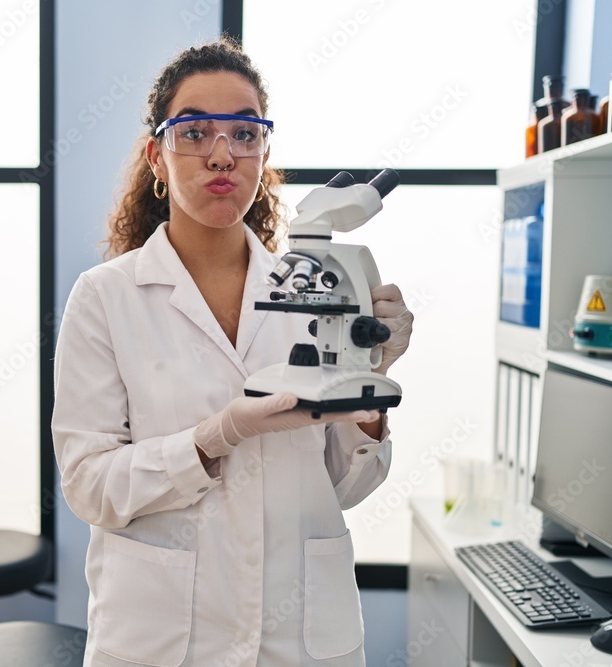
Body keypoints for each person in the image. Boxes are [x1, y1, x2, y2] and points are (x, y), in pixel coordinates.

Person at [52, 37, 413, 667]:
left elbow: (348, 485)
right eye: (194, 131)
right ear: (156, 157)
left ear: (263, 152)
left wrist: (370, 379)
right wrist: (210, 439)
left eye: (245, 133)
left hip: (300, 640)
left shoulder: (315, 290)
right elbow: (88, 486)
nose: (222, 154)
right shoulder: (106, 297)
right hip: (162, 641)